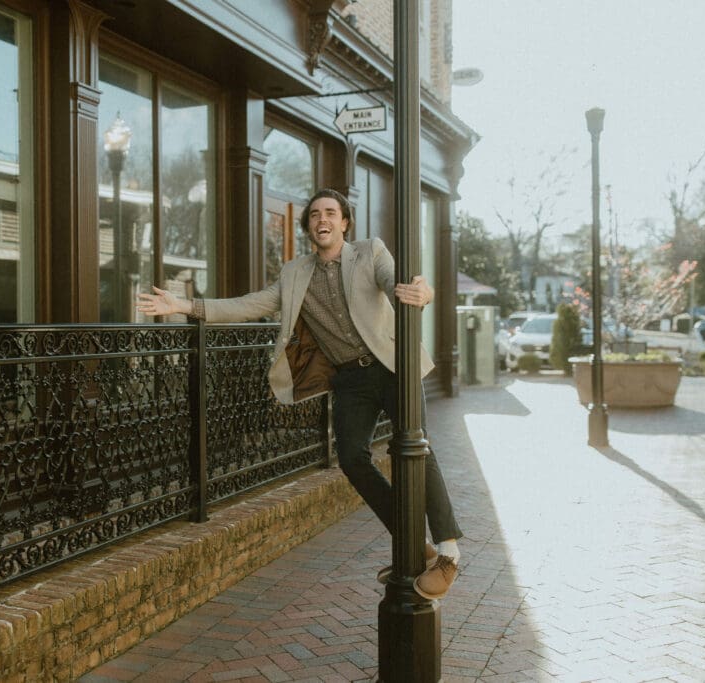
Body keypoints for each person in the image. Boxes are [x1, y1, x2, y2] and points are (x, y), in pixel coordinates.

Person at [136, 188, 462, 599]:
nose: (321, 219)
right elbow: (251, 304)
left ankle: (448, 554)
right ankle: (414, 544)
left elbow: (398, 284)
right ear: (309, 227)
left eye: (330, 212)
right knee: (352, 458)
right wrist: (185, 306)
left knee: (415, 448)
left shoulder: (370, 252)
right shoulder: (295, 273)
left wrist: (423, 292)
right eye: (314, 215)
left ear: (344, 222)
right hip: (350, 379)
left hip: (393, 366)